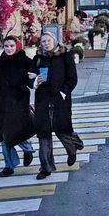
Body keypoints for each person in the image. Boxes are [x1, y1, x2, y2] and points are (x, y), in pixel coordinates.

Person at [32, 32, 84, 180]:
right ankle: (45, 167)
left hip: (60, 99)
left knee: (63, 131)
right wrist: (35, 81)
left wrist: (63, 92)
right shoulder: (38, 58)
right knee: (44, 133)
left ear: (55, 41)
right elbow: (29, 76)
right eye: (43, 42)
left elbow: (72, 79)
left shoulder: (65, 56)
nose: (46, 44)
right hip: (42, 99)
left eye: (48, 41)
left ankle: (72, 149)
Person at [0, 36, 35, 177]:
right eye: (6, 46)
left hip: (19, 103)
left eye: (11, 46)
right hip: (2, 104)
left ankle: (28, 149)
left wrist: (34, 83)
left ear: (17, 46)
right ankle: (9, 166)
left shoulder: (24, 61)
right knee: (3, 135)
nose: (9, 49)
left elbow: (32, 78)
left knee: (19, 131)